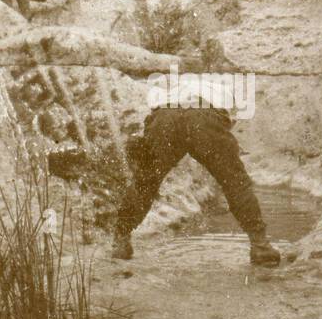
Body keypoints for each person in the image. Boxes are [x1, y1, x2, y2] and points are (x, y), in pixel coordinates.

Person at [112, 76, 281, 267]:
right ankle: (260, 245)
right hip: (204, 117)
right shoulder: (225, 86)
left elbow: (154, 113)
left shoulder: (172, 84)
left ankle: (121, 239)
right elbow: (226, 123)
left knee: (145, 181)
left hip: (167, 116)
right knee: (236, 183)